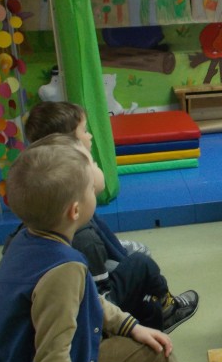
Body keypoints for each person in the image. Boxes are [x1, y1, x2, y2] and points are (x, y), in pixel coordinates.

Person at [0, 134, 195, 362]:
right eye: (89, 188)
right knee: (158, 358)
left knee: (144, 343)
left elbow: (86, 298)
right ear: (75, 210)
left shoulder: (27, 238)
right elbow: (53, 353)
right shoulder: (63, 268)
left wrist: (130, 326)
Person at [17, 101, 199, 332]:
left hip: (89, 278)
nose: (90, 136)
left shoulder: (50, 202)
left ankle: (155, 307)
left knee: (137, 256)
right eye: (84, 132)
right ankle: (163, 311)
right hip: (96, 306)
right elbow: (101, 301)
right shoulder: (83, 236)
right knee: (142, 263)